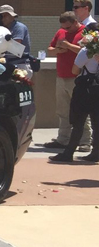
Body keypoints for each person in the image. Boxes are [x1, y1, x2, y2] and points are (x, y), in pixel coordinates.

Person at [50, 22, 99, 163]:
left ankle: (68, 153)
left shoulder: (86, 51)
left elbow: (75, 70)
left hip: (85, 89)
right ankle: (96, 152)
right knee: (96, 123)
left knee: (78, 121)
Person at [46, 11, 91, 153]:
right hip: (61, 76)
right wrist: (59, 49)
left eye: (68, 27)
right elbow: (50, 50)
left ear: (75, 22)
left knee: (81, 110)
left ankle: (85, 141)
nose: (65, 30)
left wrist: (68, 46)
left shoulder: (85, 31)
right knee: (62, 110)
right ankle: (63, 139)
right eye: (63, 27)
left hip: (77, 78)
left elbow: (88, 51)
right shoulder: (60, 32)